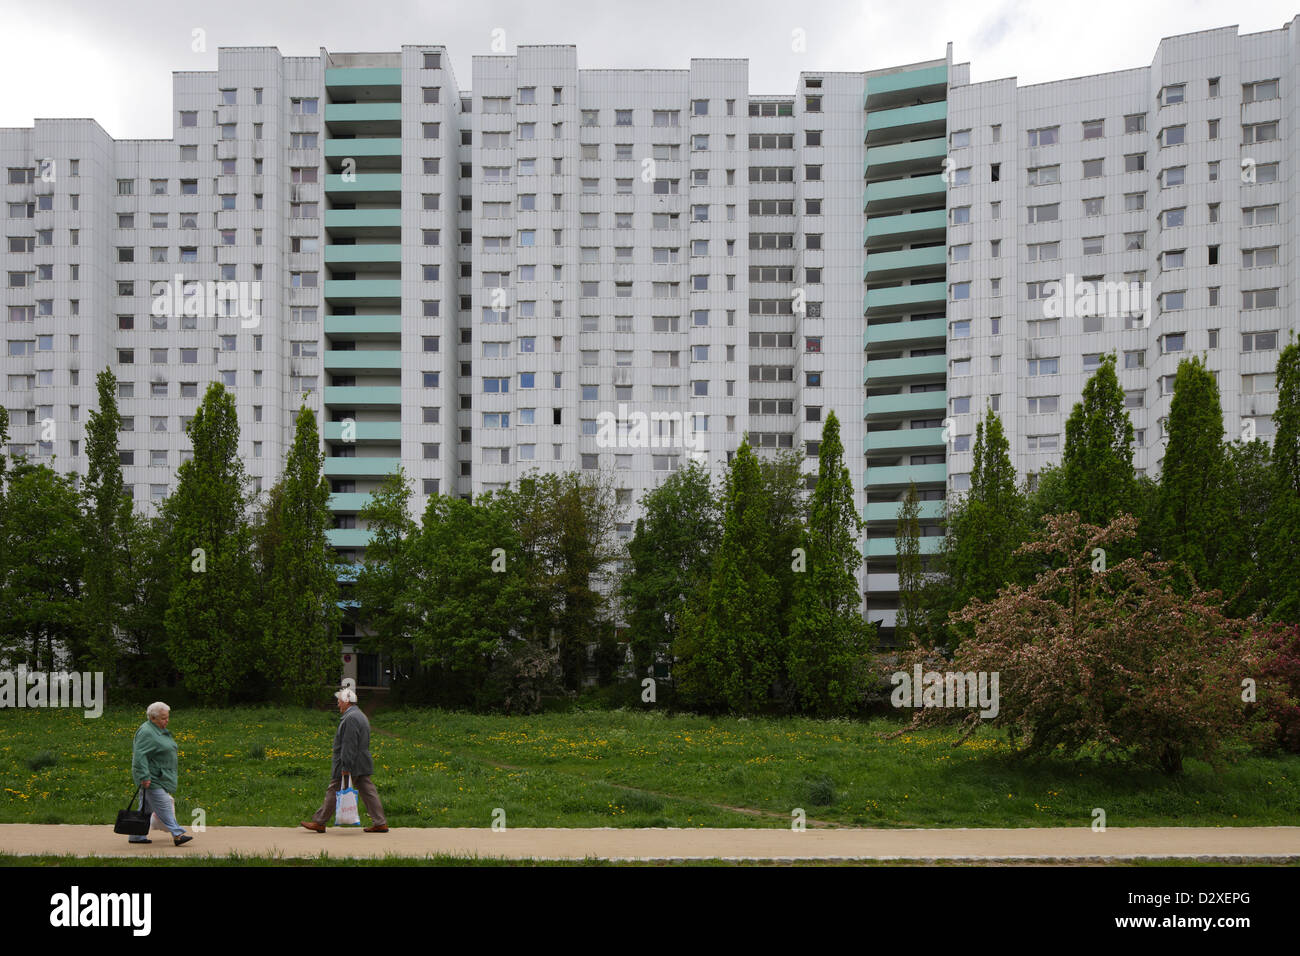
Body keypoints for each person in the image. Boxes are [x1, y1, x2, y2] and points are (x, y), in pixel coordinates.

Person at [301, 687, 387, 833]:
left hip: (350, 763)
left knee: (334, 789)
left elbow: (349, 744)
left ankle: (319, 822)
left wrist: (346, 767)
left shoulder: (351, 718)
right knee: (368, 791)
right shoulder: (360, 715)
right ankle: (380, 822)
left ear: (347, 701)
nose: (338, 704)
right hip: (362, 761)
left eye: (339, 701)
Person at [129, 701, 193, 846]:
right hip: (152, 778)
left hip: (158, 776)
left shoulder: (155, 729)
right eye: (163, 718)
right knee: (164, 804)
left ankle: (136, 836)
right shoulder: (146, 732)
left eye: (167, 717)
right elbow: (139, 756)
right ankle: (177, 834)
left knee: (145, 809)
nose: (167, 720)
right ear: (153, 718)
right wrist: (144, 776)